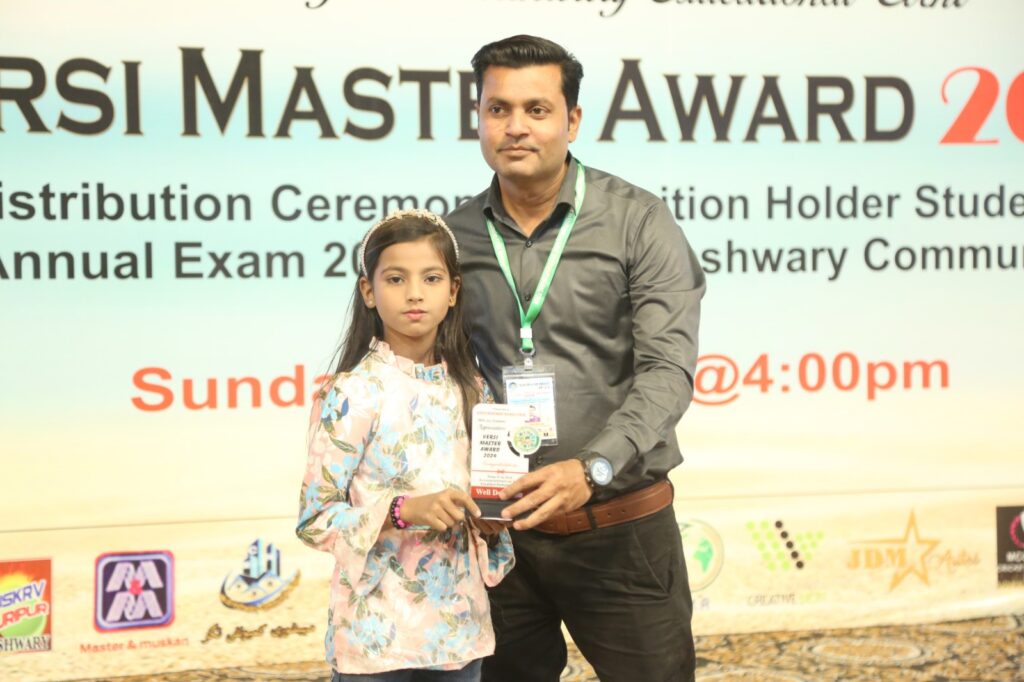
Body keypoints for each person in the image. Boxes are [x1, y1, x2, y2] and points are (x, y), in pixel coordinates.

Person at [445, 35, 705, 682]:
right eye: (499, 109)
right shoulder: (453, 238)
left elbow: (668, 372)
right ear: (479, 118)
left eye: (537, 109)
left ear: (573, 120)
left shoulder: (638, 222)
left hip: (619, 528)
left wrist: (592, 468)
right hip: (500, 538)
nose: (516, 126)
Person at [296, 209, 515, 681]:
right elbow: (315, 520)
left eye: (431, 278)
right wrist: (403, 510)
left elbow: (491, 508)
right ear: (368, 291)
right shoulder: (352, 392)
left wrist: (494, 521)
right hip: (375, 633)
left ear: (453, 291)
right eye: (395, 279)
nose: (415, 293)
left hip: (458, 630)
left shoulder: (475, 389)